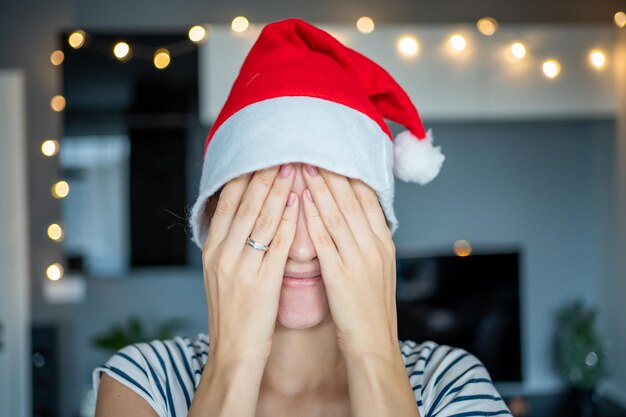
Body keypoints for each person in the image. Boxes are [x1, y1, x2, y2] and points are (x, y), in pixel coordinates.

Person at [92, 18, 512, 417]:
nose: (302, 249)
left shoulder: (452, 383)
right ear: (213, 223)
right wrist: (234, 359)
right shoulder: (142, 381)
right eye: (268, 209)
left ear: (379, 226)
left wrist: (373, 354)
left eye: (328, 209)